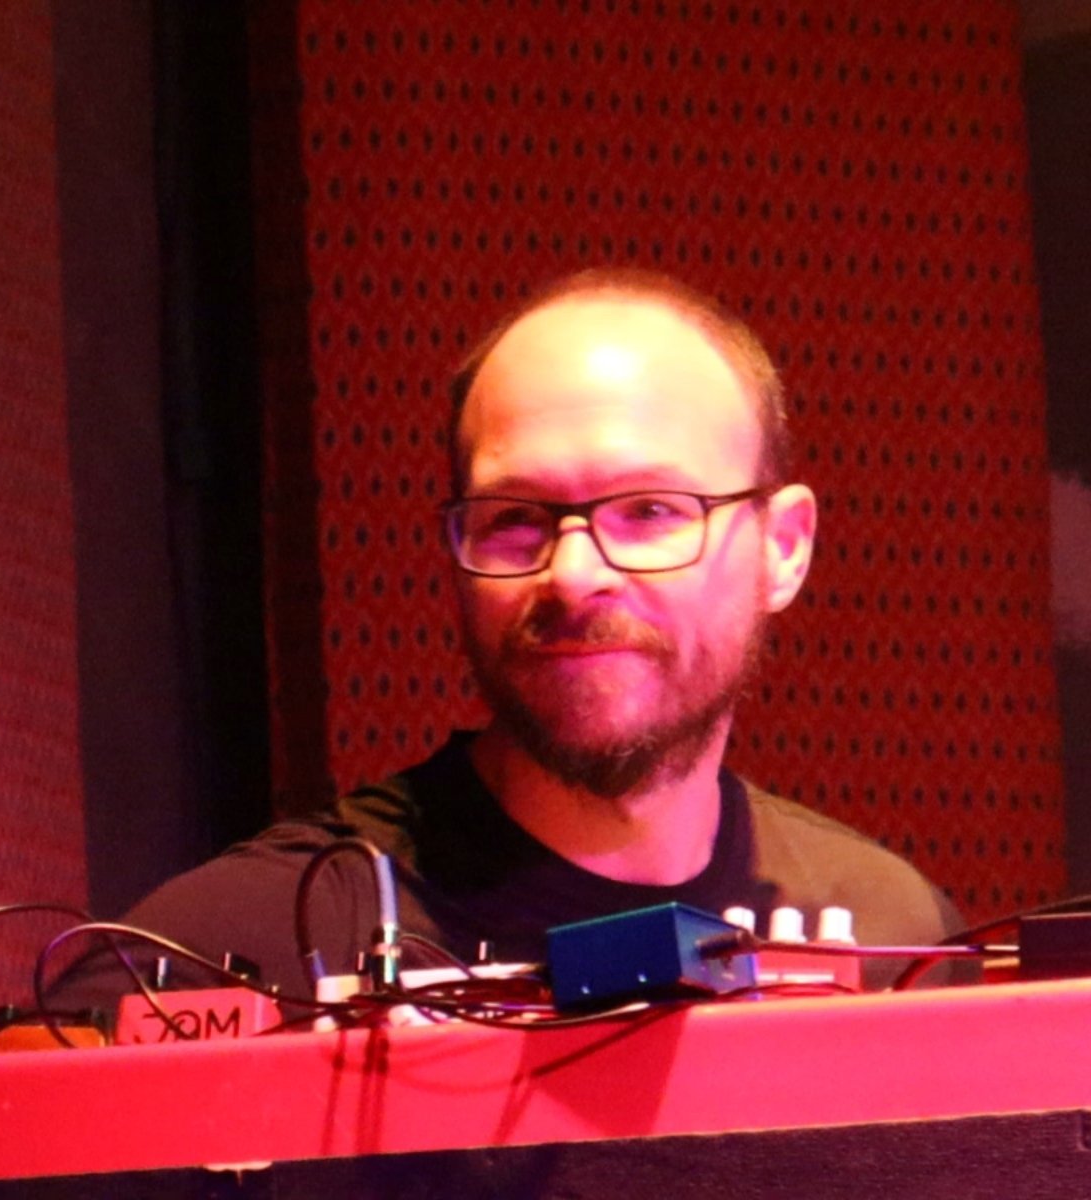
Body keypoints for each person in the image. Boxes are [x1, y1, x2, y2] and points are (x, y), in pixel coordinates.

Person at [59, 269, 963, 1012]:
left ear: (784, 548)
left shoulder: (897, 942)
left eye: (651, 511)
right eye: (515, 518)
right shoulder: (239, 951)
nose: (573, 573)